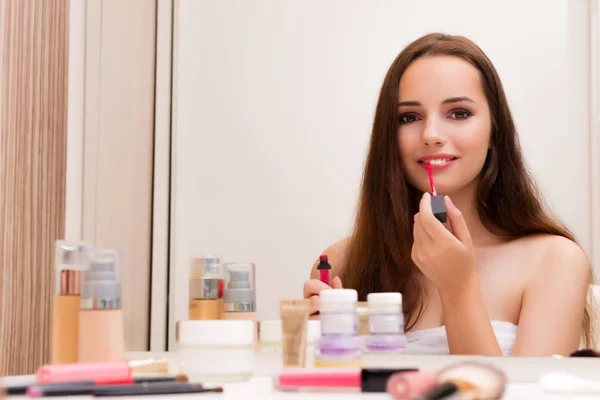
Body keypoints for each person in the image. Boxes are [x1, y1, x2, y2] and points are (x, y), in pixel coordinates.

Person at [303, 33, 595, 356]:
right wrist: (329, 348)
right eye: (409, 117)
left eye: (458, 113)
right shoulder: (340, 263)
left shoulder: (555, 261)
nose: (431, 135)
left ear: (494, 132)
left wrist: (458, 287)